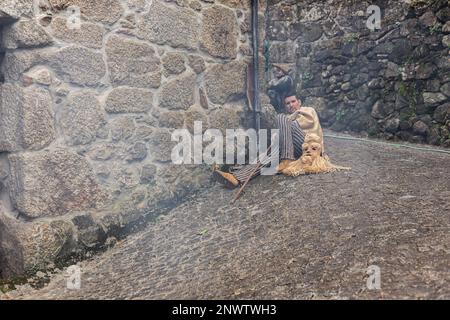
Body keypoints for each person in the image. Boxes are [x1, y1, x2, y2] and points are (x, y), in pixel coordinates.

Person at [213, 94, 324, 189]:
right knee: (270, 153)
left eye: (293, 101)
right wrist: (280, 135)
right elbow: (283, 133)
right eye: (287, 103)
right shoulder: (287, 118)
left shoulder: (308, 110)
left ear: (299, 102)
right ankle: (237, 177)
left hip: (311, 148)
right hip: (295, 151)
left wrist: (286, 123)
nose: (291, 105)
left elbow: (306, 123)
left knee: (280, 117)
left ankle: (287, 159)